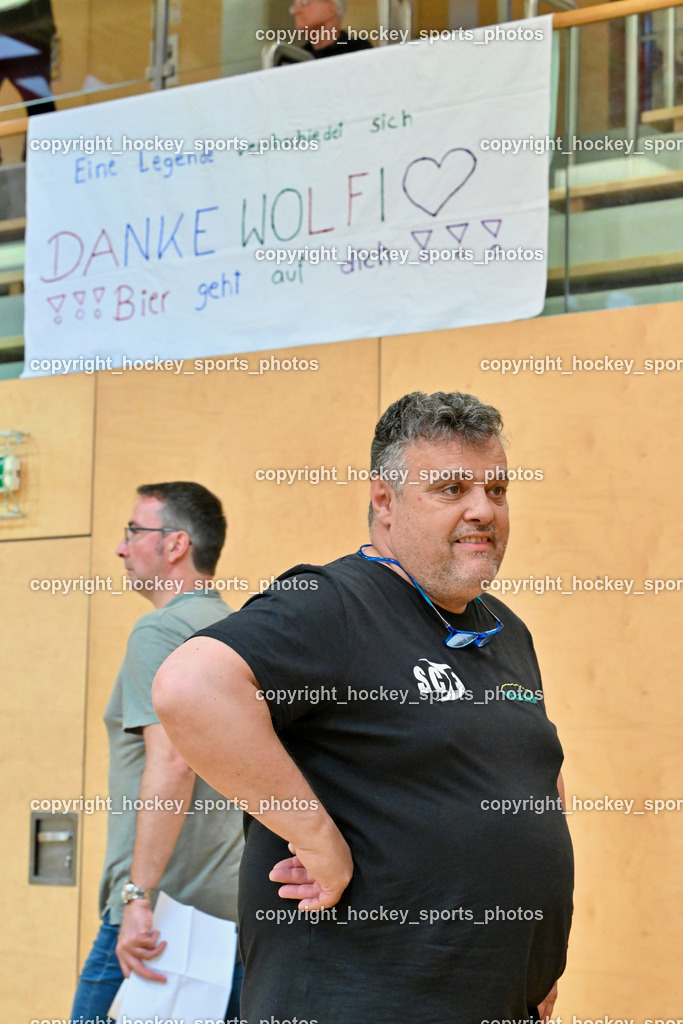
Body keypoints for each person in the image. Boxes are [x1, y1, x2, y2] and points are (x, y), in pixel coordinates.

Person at [152, 393, 574, 1024]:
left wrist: (535, 963)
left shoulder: (506, 630)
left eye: (497, 489)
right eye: (452, 488)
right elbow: (191, 687)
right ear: (385, 501)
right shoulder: (331, 603)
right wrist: (317, 838)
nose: (482, 509)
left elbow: (534, 776)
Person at [71, 482, 243, 1024]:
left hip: (162, 920)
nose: (122, 548)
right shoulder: (238, 630)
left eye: (133, 532)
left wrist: (136, 898)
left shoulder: (161, 630)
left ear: (175, 545)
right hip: (234, 921)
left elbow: (170, 763)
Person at [290, 0, 373, 58]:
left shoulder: (358, 51)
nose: (295, 12)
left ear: (332, 7)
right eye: (295, 6)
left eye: (304, 3)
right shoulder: (294, 58)